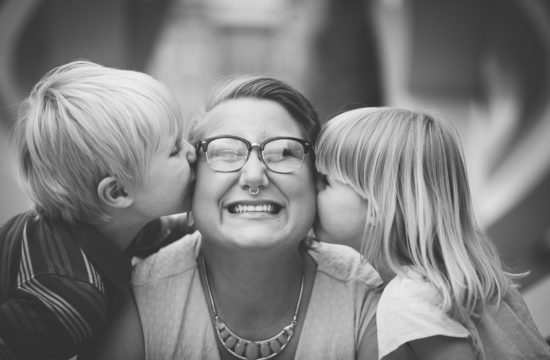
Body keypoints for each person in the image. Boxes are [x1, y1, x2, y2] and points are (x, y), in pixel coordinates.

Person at [81, 75, 383, 360]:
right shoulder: (137, 299)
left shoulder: (364, 291)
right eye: (226, 151)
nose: (254, 176)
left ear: (317, 178)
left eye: (282, 153)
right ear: (191, 177)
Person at [313, 106, 550, 359]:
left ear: (376, 206)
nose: (312, 189)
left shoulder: (409, 299)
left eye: (325, 181)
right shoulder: (467, 279)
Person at [0, 60, 196, 360]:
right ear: (118, 192)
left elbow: (168, 232)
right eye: (174, 150)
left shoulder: (113, 225)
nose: (192, 151)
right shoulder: (68, 295)